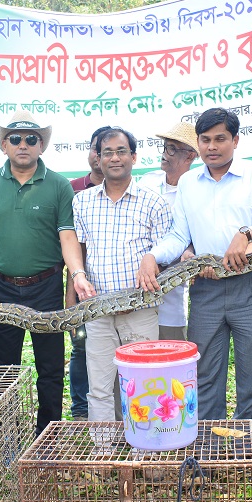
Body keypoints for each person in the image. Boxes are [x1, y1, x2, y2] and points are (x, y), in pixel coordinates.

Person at [137, 108, 252, 442]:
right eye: (205, 139)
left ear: (236, 140)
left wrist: (249, 233)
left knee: (251, 377)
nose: (213, 146)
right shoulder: (189, 184)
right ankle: (210, 450)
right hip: (205, 289)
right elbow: (179, 236)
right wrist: (152, 256)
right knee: (206, 374)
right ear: (197, 144)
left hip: (250, 287)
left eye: (220, 138)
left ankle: (244, 451)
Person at [0, 110, 95, 435]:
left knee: (50, 368)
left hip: (46, 287)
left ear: (41, 145)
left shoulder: (59, 185)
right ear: (4, 145)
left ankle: (47, 434)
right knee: (3, 368)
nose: (23, 145)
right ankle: (7, 432)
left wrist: (77, 273)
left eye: (31, 139)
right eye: (15, 138)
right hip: (1, 288)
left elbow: (68, 236)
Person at [73, 127, 171, 422]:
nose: (114, 158)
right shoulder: (83, 202)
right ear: (98, 158)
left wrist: (148, 275)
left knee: (144, 386)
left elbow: (167, 258)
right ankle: (103, 455)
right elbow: (79, 251)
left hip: (139, 310)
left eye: (121, 151)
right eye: (107, 153)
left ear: (134, 157)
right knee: (99, 388)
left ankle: (146, 450)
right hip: (99, 310)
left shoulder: (154, 202)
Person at [67, 125, 112, 421]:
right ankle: (81, 409)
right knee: (81, 347)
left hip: (118, 292)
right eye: (97, 149)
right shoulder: (72, 190)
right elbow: (70, 245)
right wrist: (71, 294)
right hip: (82, 286)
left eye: (109, 150)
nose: (101, 156)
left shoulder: (133, 190)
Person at [139, 121, 199, 341]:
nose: (165, 154)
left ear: (190, 156)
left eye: (172, 149)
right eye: (165, 147)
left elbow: (198, 232)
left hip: (172, 294)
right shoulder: (147, 182)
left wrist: (191, 248)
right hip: (138, 286)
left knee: (170, 356)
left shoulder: (197, 188)